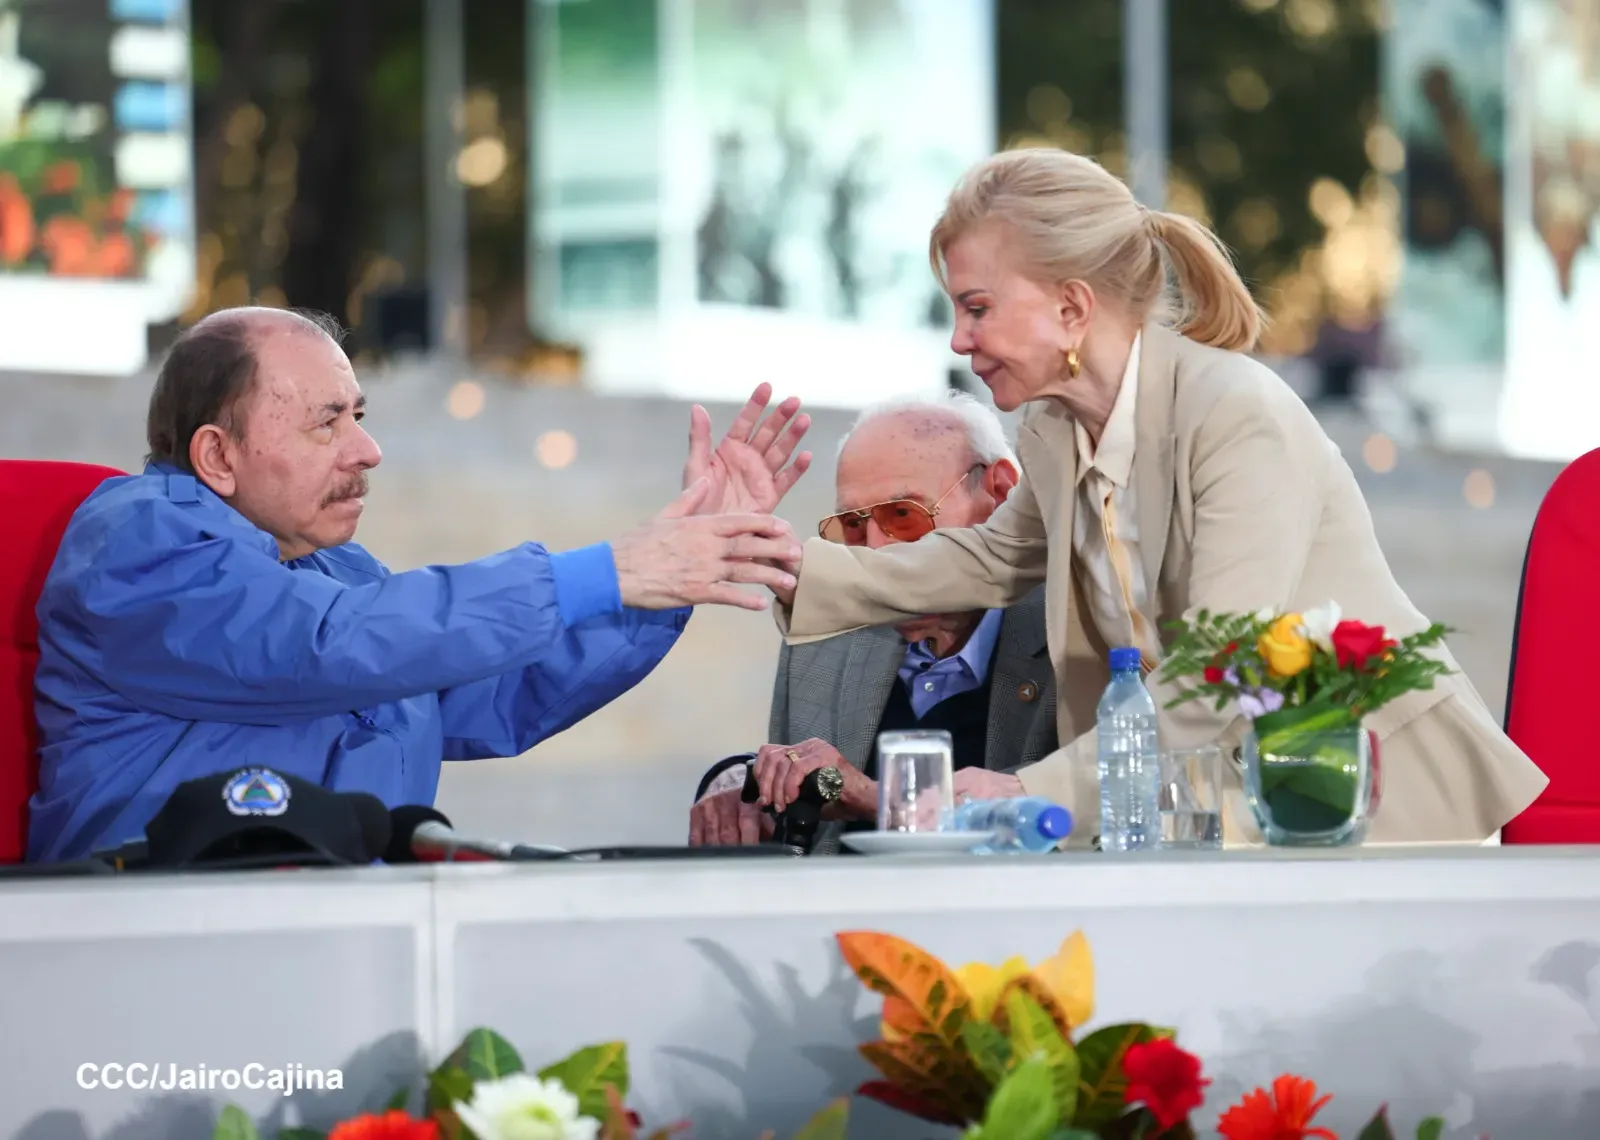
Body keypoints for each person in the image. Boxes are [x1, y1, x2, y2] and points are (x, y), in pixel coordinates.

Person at [762, 147, 1548, 845]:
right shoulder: (1051, 428)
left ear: (1072, 308)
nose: (959, 341)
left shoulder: (1238, 414)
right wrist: (781, 570)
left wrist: (1029, 790)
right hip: (1216, 814)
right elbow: (996, 557)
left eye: (977, 308)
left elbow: (1217, 668)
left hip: (1360, 812)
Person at [29, 307, 811, 862]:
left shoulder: (332, 569)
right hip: (155, 955)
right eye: (326, 423)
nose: (367, 450)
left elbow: (494, 692)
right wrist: (606, 568)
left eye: (360, 417)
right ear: (217, 457)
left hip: (345, 943)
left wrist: (670, 572)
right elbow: (327, 645)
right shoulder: (138, 543)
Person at [688, 393, 1057, 851]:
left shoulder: (1073, 633)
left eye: (903, 515)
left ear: (1000, 492)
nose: (877, 549)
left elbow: (1077, 811)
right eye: (855, 527)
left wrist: (869, 797)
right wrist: (744, 790)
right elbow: (799, 801)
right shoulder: (830, 633)